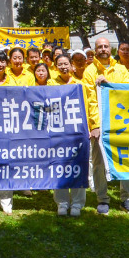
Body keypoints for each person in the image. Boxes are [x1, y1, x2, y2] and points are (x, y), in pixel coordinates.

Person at [82, 37, 129, 216]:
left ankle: (126, 199)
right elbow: (90, 100)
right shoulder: (89, 71)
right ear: (95, 50)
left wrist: (108, 84)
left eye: (106, 46)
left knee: (126, 161)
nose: (103, 49)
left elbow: (128, 93)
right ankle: (102, 199)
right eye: (100, 47)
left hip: (121, 122)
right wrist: (95, 125)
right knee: (98, 163)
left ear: (111, 49)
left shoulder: (121, 69)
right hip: (100, 124)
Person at [50, 54, 85, 217]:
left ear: (71, 65)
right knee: (59, 167)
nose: (63, 67)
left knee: (79, 166)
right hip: (58, 133)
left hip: (78, 132)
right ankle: (62, 203)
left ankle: (77, 204)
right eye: (60, 64)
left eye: (66, 64)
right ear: (55, 66)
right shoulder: (51, 83)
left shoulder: (80, 84)